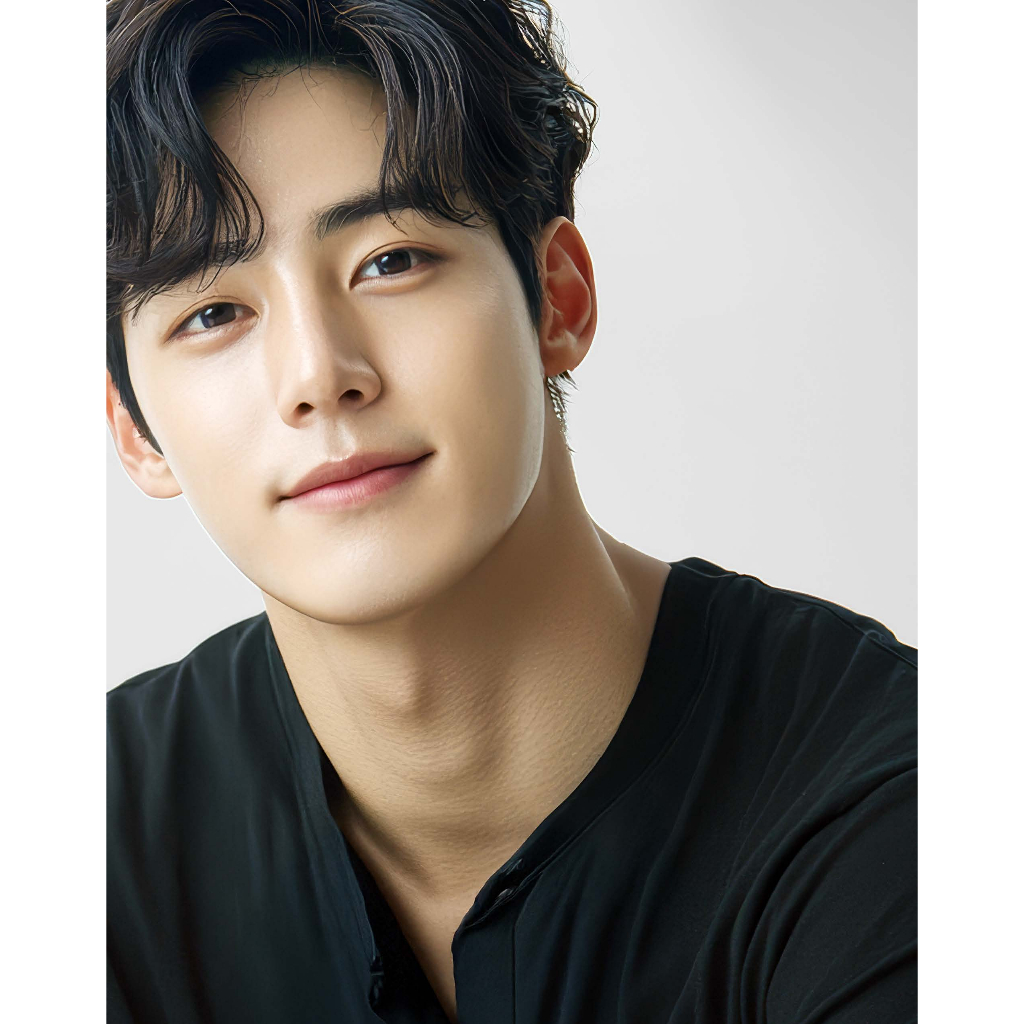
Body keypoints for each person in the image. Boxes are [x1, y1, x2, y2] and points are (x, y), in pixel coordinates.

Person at [105, 1, 917, 1022]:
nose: (317, 375)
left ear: (557, 298)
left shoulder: (897, 805)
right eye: (213, 312)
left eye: (391, 260)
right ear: (136, 432)